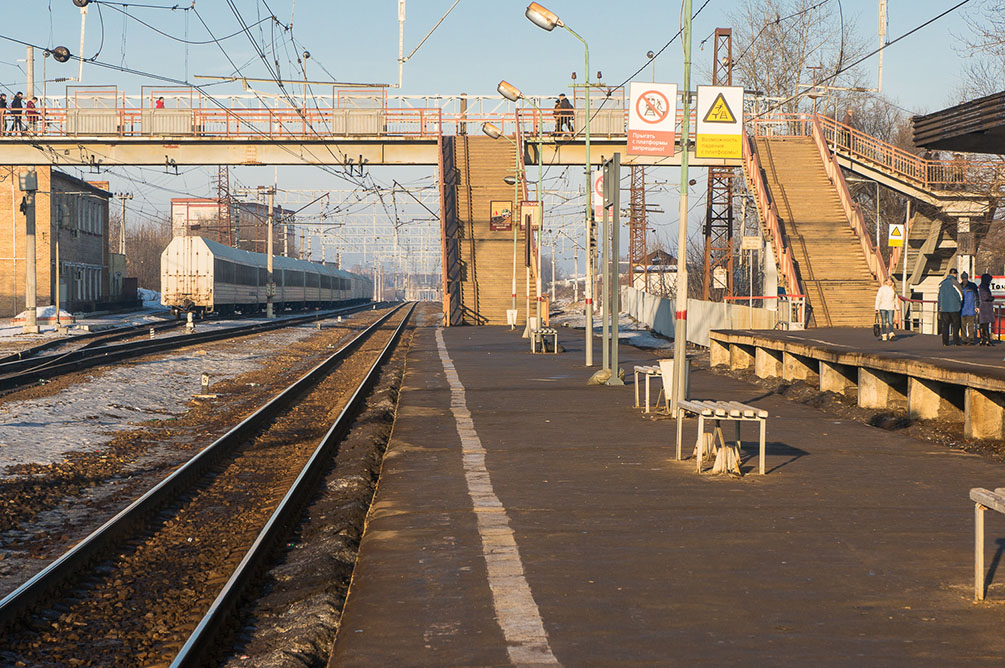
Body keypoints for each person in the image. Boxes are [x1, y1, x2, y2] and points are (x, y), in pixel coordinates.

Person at [938, 268, 963, 346]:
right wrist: (960, 304)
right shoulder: (955, 283)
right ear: (955, 274)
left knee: (945, 326)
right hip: (954, 307)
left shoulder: (942, 283)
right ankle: (956, 341)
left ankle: (945, 342)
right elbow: (961, 295)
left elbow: (939, 296)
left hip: (944, 308)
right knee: (955, 325)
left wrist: (940, 306)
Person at [960, 271, 979, 344]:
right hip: (966, 309)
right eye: (964, 278)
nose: (964, 279)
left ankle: (969, 339)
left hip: (967, 308)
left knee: (969, 325)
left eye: (965, 278)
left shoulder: (960, 286)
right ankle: (966, 339)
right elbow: (977, 297)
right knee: (965, 325)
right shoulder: (972, 286)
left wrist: (977, 306)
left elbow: (977, 297)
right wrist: (977, 306)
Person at [978, 273, 995, 346]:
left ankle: (984, 339)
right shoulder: (984, 287)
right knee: (985, 324)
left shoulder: (982, 286)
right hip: (985, 308)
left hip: (985, 307)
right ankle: (987, 339)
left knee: (984, 324)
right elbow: (985, 297)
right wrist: (991, 298)